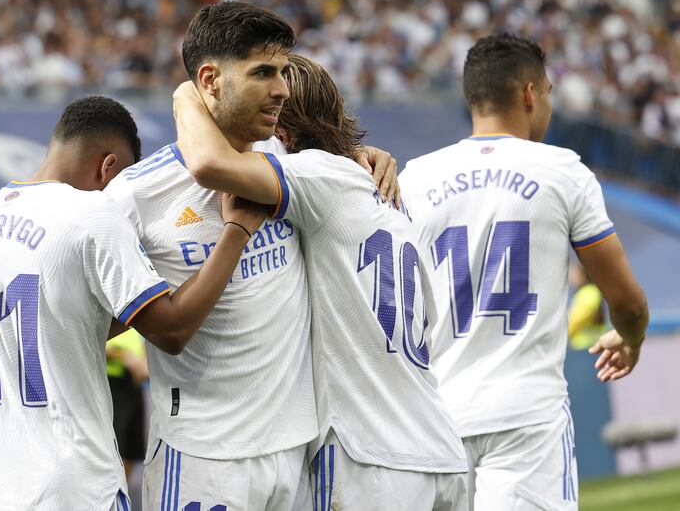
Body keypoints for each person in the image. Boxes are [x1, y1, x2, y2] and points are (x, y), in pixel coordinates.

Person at [0, 95, 267, 510]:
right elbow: (172, 329)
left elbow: (46, 324)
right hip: (72, 488)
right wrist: (237, 229)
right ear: (108, 166)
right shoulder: (92, 213)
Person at [173, 54, 468, 509]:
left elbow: (208, 163)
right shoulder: (381, 191)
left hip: (369, 456)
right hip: (441, 448)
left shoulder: (315, 175)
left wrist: (187, 93)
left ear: (284, 133)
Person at [397, 33, 649, 510]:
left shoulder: (413, 178)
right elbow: (630, 303)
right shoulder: (563, 170)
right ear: (530, 94)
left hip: (435, 421)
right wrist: (630, 338)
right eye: (549, 91)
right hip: (526, 416)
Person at [106, 328, 149, 485]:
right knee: (116, 452)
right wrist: (124, 356)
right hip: (112, 383)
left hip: (134, 385)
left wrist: (143, 360)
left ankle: (124, 501)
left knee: (131, 452)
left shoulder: (134, 312)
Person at [567, 264, 607, 351]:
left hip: (587, 346)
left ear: (582, 275)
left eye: (574, 273)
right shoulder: (588, 291)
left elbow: (576, 320)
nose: (571, 277)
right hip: (588, 345)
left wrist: (560, 334)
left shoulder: (589, 292)